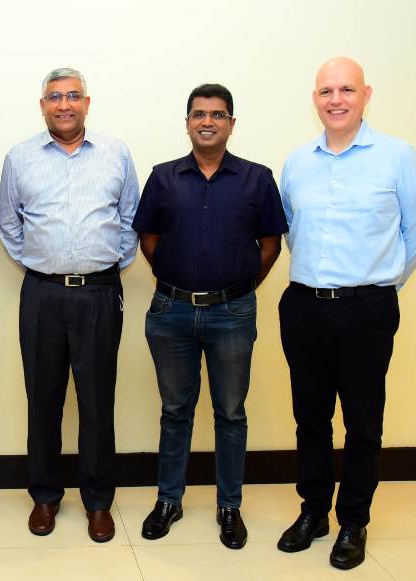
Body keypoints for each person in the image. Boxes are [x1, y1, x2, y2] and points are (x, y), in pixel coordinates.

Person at [277, 57, 416, 569]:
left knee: (363, 422)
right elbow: (292, 231)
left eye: (346, 89)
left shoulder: (397, 156)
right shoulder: (297, 162)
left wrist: (379, 284)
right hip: (305, 306)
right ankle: (314, 511)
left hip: (367, 308)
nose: (336, 100)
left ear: (366, 95)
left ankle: (353, 521)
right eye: (326, 91)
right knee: (310, 418)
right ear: (314, 99)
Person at [133, 84, 287, 548]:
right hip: (171, 311)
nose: (207, 122)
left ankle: (229, 506)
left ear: (231, 124)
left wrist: (240, 287)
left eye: (217, 115)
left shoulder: (257, 179)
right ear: (187, 123)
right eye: (199, 114)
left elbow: (270, 243)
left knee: (231, 412)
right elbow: (148, 237)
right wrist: (173, 275)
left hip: (233, 313)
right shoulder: (163, 177)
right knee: (175, 410)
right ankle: (169, 501)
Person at [0, 67, 139, 543]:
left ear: (86, 103)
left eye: (73, 95)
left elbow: (129, 220)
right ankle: (45, 496)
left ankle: (98, 502)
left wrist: (104, 267)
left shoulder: (116, 153)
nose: (64, 104)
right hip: (42, 295)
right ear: (43, 106)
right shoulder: (20, 158)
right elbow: (9, 225)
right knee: (43, 399)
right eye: (54, 97)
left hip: (99, 294)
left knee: (97, 401)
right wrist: (43, 264)